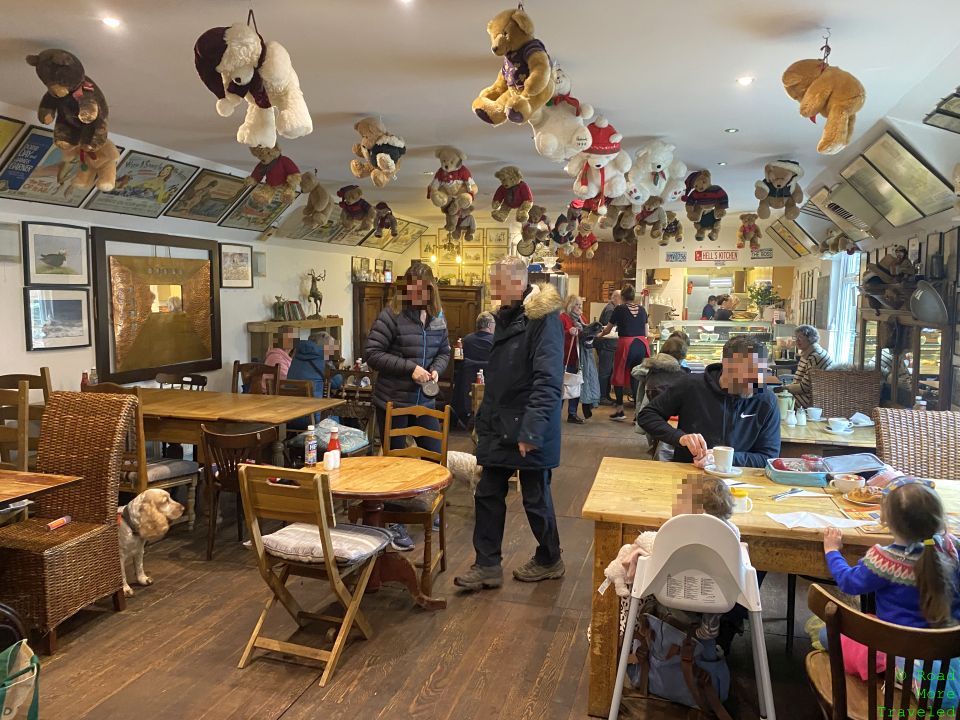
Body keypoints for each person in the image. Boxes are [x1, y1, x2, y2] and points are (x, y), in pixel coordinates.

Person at [454, 257, 564, 590]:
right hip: (500, 422)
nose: (494, 288)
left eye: (499, 282)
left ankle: (549, 558)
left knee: (535, 496)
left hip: (527, 423)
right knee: (487, 491)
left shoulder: (544, 319)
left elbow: (548, 379)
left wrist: (532, 430)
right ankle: (487, 565)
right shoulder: (508, 315)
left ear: (518, 282)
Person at [365, 262, 450, 551]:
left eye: (422, 289)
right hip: (393, 400)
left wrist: (437, 369)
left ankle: (426, 506)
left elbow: (444, 351)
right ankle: (394, 521)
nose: (416, 294)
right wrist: (410, 368)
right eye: (411, 289)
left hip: (424, 400)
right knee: (395, 462)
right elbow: (373, 354)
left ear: (430, 290)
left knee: (433, 455)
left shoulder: (437, 316)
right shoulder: (392, 315)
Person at [820, 478, 960, 654]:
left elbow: (848, 582)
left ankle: (901, 676)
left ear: (885, 519)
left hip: (898, 655)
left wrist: (832, 551)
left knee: (825, 634)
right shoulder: (952, 548)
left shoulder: (885, 561)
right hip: (948, 654)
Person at [606, 474, 738, 660]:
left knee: (639, 573)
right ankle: (711, 620)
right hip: (717, 594)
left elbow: (652, 542)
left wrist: (638, 545)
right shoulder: (730, 534)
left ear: (698, 512)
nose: (674, 507)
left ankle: (630, 636)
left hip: (673, 590)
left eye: (680, 501)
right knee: (714, 584)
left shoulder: (676, 533)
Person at [637, 335, 780, 468]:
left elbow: (768, 457)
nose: (756, 381)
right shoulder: (691, 385)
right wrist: (680, 438)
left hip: (742, 480)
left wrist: (725, 458)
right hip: (689, 472)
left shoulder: (766, 400)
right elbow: (647, 415)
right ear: (727, 365)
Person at [600, 285, 649, 421]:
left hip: (626, 344)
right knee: (636, 377)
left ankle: (620, 411)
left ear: (622, 297)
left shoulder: (619, 309)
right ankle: (637, 414)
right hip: (641, 345)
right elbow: (646, 333)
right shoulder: (642, 309)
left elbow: (608, 329)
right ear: (634, 296)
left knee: (618, 375)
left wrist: (600, 334)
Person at [452, 312, 495, 427]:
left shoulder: (467, 340)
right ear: (490, 325)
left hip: (466, 384)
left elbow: (458, 361)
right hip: (489, 382)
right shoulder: (496, 341)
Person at [560, 295, 598, 422]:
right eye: (577, 304)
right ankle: (556, 413)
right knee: (562, 386)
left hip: (579, 358)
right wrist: (567, 332)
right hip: (565, 357)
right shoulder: (563, 318)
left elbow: (585, 334)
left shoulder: (582, 319)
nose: (579, 307)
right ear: (570, 305)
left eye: (580, 305)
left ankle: (572, 413)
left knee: (575, 385)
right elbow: (558, 335)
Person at [784, 325, 832, 408]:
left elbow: (805, 387)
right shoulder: (808, 352)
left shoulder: (814, 356)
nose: (797, 340)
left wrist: (786, 388)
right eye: (796, 337)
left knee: (775, 401)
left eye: (800, 337)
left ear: (810, 339)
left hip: (810, 400)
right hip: (802, 394)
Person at [597, 289, 621, 404]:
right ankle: (602, 397)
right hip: (607, 345)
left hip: (608, 345)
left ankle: (605, 395)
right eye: (620, 299)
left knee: (607, 371)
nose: (621, 302)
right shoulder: (611, 310)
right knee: (605, 371)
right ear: (615, 298)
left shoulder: (611, 308)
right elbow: (608, 328)